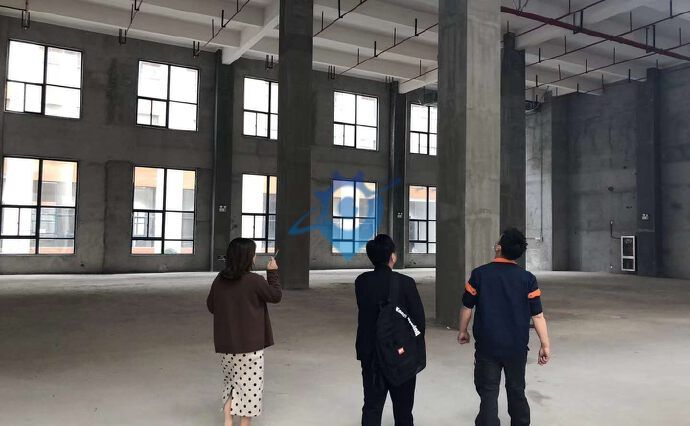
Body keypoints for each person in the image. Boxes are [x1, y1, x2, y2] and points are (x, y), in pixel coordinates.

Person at [458, 228, 551, 426]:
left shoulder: (479, 274)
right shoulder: (528, 279)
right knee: (516, 389)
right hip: (516, 347)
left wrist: (463, 330)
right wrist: (545, 344)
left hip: (487, 346)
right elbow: (538, 315)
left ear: (498, 248)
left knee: (488, 391)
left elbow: (467, 307)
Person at [206, 238, 282, 426]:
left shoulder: (220, 279)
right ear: (248, 257)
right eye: (253, 253)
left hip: (226, 346)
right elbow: (275, 296)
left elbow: (211, 306)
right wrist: (272, 273)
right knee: (249, 388)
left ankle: (228, 421)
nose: (255, 256)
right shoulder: (255, 281)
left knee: (231, 383)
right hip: (250, 347)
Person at [355, 234, 426, 426]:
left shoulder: (361, 282)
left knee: (372, 406)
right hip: (400, 355)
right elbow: (419, 322)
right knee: (403, 411)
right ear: (392, 257)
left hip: (371, 353)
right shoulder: (406, 283)